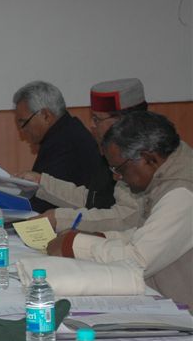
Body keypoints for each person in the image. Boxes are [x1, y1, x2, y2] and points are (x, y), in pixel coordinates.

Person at [46, 111, 192, 306]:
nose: (117, 178)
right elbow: (146, 234)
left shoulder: (182, 192)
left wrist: (74, 244)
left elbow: (138, 261)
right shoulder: (167, 168)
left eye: (119, 169)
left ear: (148, 158)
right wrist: (100, 237)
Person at [23, 78, 149, 233]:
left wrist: (60, 219)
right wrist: (41, 183)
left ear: (122, 122)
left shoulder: (143, 157)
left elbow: (125, 219)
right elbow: (94, 200)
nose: (91, 125)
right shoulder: (111, 151)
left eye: (97, 119)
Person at [12, 80, 112, 212]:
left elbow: (43, 204)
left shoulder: (65, 143)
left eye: (24, 123)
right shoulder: (67, 131)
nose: (22, 131)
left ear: (46, 116)